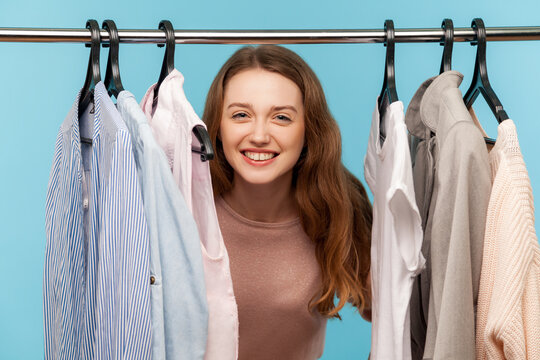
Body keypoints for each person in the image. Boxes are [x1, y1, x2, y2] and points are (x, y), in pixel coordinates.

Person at [202, 45, 372, 360]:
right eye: (241, 115)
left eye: (281, 117)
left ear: (309, 130)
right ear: (217, 127)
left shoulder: (340, 207)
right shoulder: (185, 208)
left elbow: (400, 317)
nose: (259, 135)